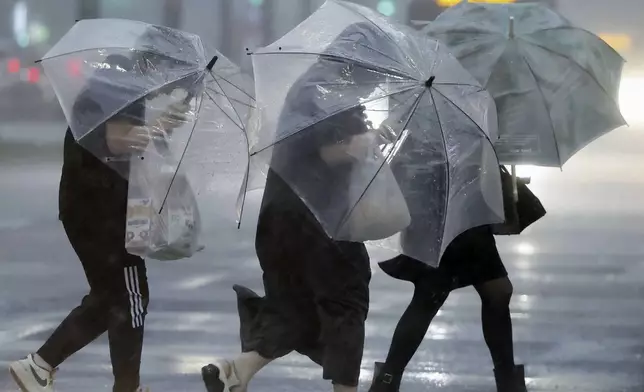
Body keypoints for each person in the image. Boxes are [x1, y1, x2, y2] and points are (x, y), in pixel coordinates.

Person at [200, 22, 400, 392]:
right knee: (346, 302)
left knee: (296, 305)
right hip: (318, 218)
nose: (376, 83)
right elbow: (330, 151)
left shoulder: (312, 87)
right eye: (375, 74)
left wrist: (372, 136)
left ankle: (236, 370)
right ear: (357, 65)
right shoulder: (329, 94)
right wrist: (368, 141)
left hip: (281, 216)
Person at [8, 52, 191, 392]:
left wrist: (162, 124)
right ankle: (127, 386)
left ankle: (39, 366)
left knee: (111, 297)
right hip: (102, 212)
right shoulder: (117, 87)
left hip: (88, 208)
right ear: (149, 67)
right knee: (131, 296)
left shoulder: (113, 84)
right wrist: (162, 123)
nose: (162, 85)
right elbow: (118, 138)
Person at [368, 164, 543, 392]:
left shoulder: (471, 131)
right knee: (433, 294)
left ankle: (387, 380)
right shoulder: (427, 131)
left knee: (487, 291)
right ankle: (387, 379)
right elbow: (410, 157)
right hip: (438, 206)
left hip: (465, 204)